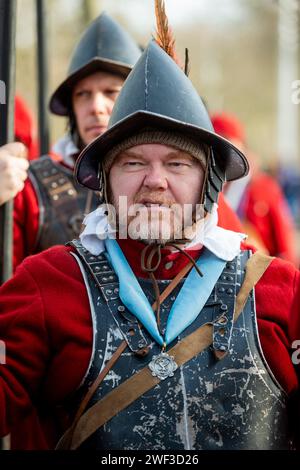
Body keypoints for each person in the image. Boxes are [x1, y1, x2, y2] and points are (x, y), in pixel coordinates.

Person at [0, 33, 299, 450]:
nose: (154, 181)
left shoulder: (281, 291)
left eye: (177, 163)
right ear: (105, 178)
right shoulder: (46, 282)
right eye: (133, 162)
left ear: (209, 181)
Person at [11, 12, 142, 270]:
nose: (96, 107)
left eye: (111, 92)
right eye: (83, 94)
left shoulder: (177, 180)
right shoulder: (30, 191)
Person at [211, 112, 298, 266]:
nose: (221, 151)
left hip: (258, 272)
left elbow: (284, 245)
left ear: (241, 146)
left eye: (227, 141)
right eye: (215, 144)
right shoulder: (207, 185)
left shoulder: (264, 187)